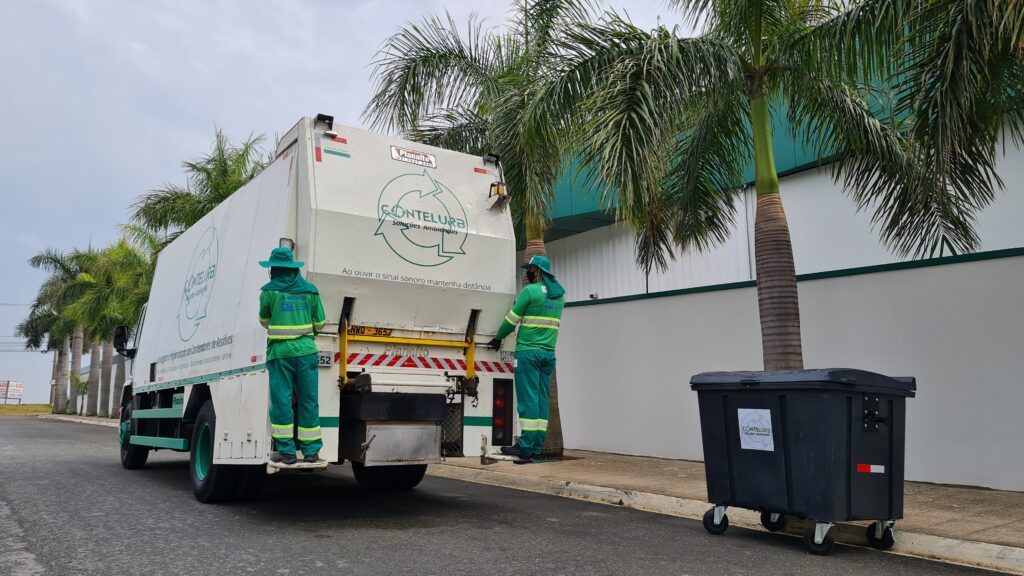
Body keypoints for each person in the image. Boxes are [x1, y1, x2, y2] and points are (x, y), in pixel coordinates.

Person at [488, 255, 565, 464]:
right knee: (541, 400)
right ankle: (536, 446)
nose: (527, 273)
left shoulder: (530, 291)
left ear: (538, 271)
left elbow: (511, 319)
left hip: (528, 353)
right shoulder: (559, 295)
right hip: (548, 354)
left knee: (528, 399)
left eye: (529, 269)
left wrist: (497, 338)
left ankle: (525, 445)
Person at [258, 247, 327, 465]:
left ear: (274, 270)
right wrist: (306, 335)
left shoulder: (268, 292)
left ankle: (286, 452)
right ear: (292, 268)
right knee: (309, 401)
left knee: (282, 402)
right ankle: (311, 452)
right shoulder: (311, 291)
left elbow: (264, 321)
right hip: (307, 353)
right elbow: (320, 323)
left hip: (280, 354)